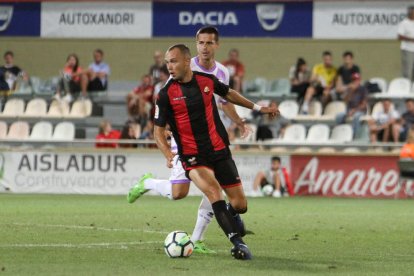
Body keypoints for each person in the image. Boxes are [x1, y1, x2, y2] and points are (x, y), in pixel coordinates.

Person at [128, 26, 252, 255]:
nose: (204, 47)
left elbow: (225, 101)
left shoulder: (221, 72)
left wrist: (239, 121)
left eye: (209, 43)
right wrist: (163, 131)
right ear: (195, 46)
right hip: (184, 137)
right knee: (179, 193)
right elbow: (165, 101)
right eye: (201, 43)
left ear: (216, 45)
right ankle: (147, 183)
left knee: (213, 189)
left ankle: (198, 238)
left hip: (211, 138)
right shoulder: (183, 66)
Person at [153, 44, 277, 260]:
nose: (169, 67)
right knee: (212, 192)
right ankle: (238, 243)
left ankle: (229, 215)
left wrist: (257, 108)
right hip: (192, 156)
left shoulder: (206, 81)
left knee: (240, 205)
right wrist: (168, 154)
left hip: (218, 150)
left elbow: (229, 94)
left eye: (173, 61)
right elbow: (158, 131)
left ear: (185, 61)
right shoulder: (165, 95)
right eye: (167, 63)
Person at [335, 73, 368, 139]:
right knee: (339, 116)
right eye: (354, 80)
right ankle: (340, 134)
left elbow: (364, 105)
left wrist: (354, 111)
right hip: (350, 110)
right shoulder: (349, 89)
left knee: (356, 117)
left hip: (360, 111)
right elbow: (345, 101)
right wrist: (350, 92)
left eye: (357, 80)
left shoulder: (363, 90)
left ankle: (355, 136)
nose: (355, 82)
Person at [398, 6, 414, 81]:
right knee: (408, 71)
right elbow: (400, 36)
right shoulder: (404, 23)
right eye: (411, 12)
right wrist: (411, 39)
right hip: (408, 50)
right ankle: (406, 88)